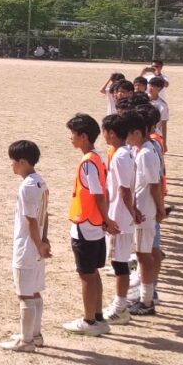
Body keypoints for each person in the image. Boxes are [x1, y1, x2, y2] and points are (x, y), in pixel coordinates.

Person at [63, 113, 117, 336]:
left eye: (73, 134)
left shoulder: (88, 163)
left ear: (83, 136)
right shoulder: (96, 157)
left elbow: (97, 194)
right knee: (93, 272)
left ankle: (89, 321)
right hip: (94, 224)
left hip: (86, 225)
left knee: (86, 274)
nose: (71, 139)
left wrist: (107, 219)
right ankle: (97, 317)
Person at [0, 140, 50, 352]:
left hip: (27, 246)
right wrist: (44, 241)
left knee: (24, 294)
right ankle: (34, 334)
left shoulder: (27, 187)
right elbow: (44, 215)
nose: (11, 165)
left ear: (22, 162)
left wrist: (39, 244)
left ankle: (26, 341)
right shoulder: (40, 182)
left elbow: (31, 220)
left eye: (13, 162)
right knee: (35, 291)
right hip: (37, 245)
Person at [126, 112, 164, 316]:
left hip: (145, 211)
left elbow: (155, 184)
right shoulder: (141, 150)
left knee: (144, 255)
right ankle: (144, 297)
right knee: (142, 254)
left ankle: (147, 301)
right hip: (141, 209)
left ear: (138, 132)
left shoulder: (147, 154)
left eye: (128, 133)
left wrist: (159, 209)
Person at [101, 113, 135, 326]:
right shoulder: (126, 152)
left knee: (119, 263)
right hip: (123, 215)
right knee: (120, 262)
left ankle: (120, 307)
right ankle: (120, 304)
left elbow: (123, 189)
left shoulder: (121, 156)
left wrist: (131, 213)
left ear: (112, 133)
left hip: (119, 217)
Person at [147, 76, 169, 148]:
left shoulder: (162, 105)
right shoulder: (143, 99)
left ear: (159, 88)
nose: (150, 88)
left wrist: (164, 143)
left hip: (155, 135)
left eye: (153, 86)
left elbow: (163, 125)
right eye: (150, 85)